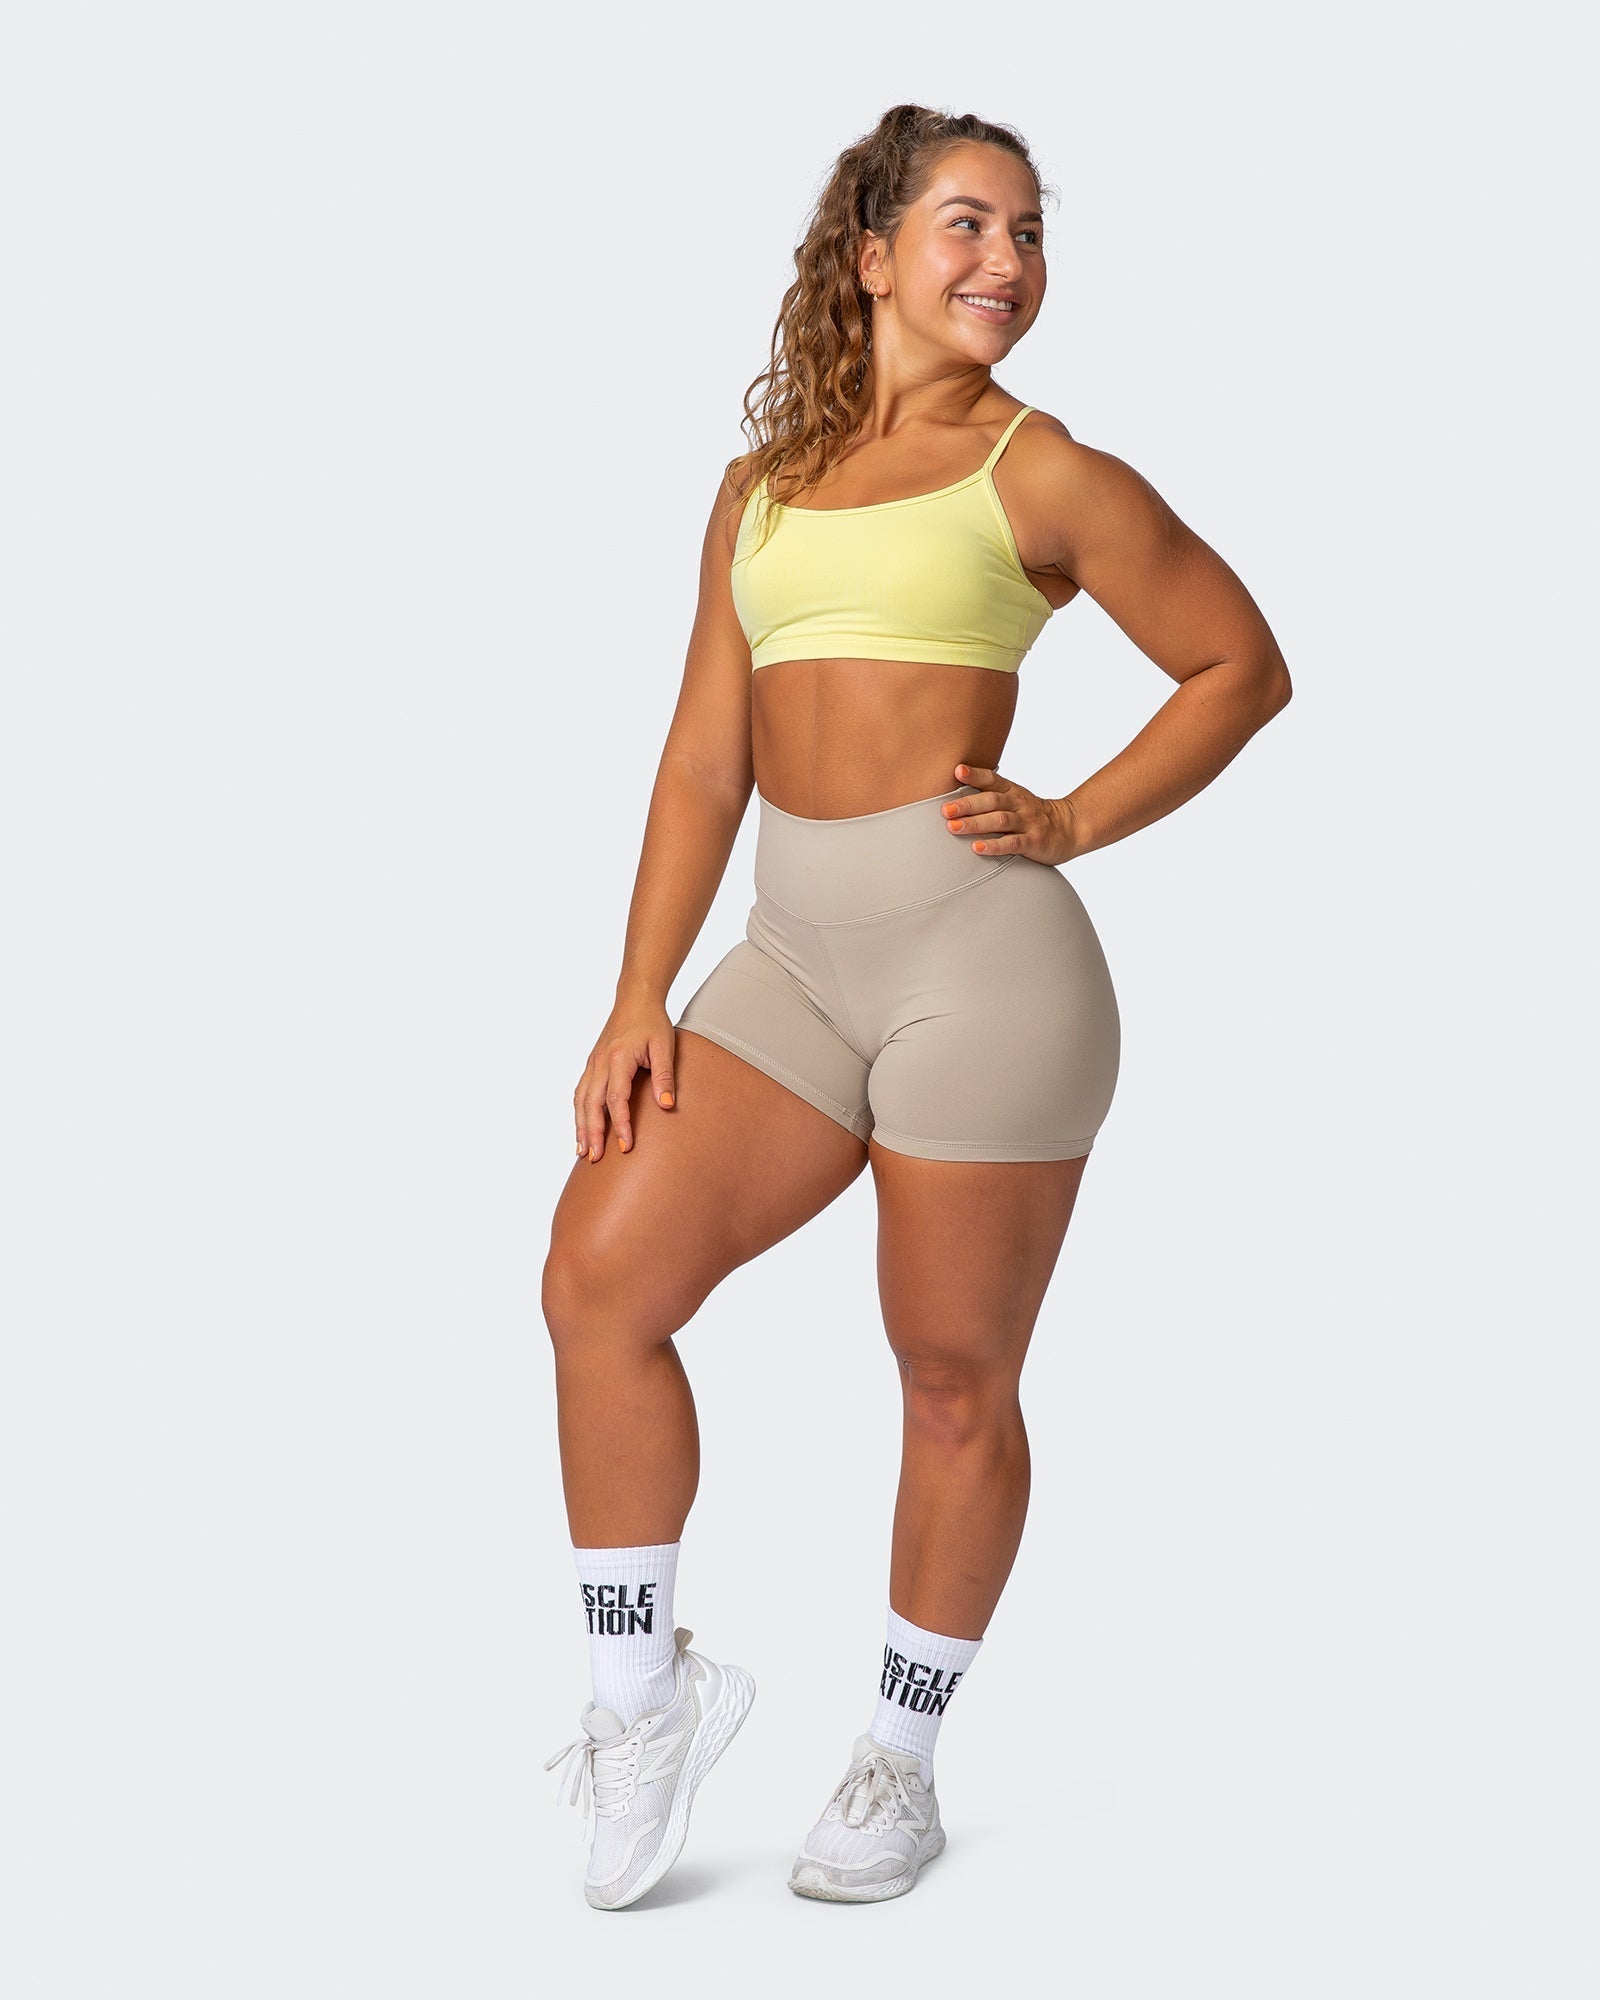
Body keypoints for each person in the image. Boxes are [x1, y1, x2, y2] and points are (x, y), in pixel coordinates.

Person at [540, 102, 1292, 1911]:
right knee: (598, 1281)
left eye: (1029, 234)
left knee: (952, 1377)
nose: (1006, 262)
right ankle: (641, 1703)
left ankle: (899, 1752)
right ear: (871, 254)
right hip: (787, 968)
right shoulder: (760, 488)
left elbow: (1240, 662)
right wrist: (640, 991)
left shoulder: (1044, 472)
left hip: (984, 976)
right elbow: (704, 758)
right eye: (969, 224)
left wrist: (1076, 819)